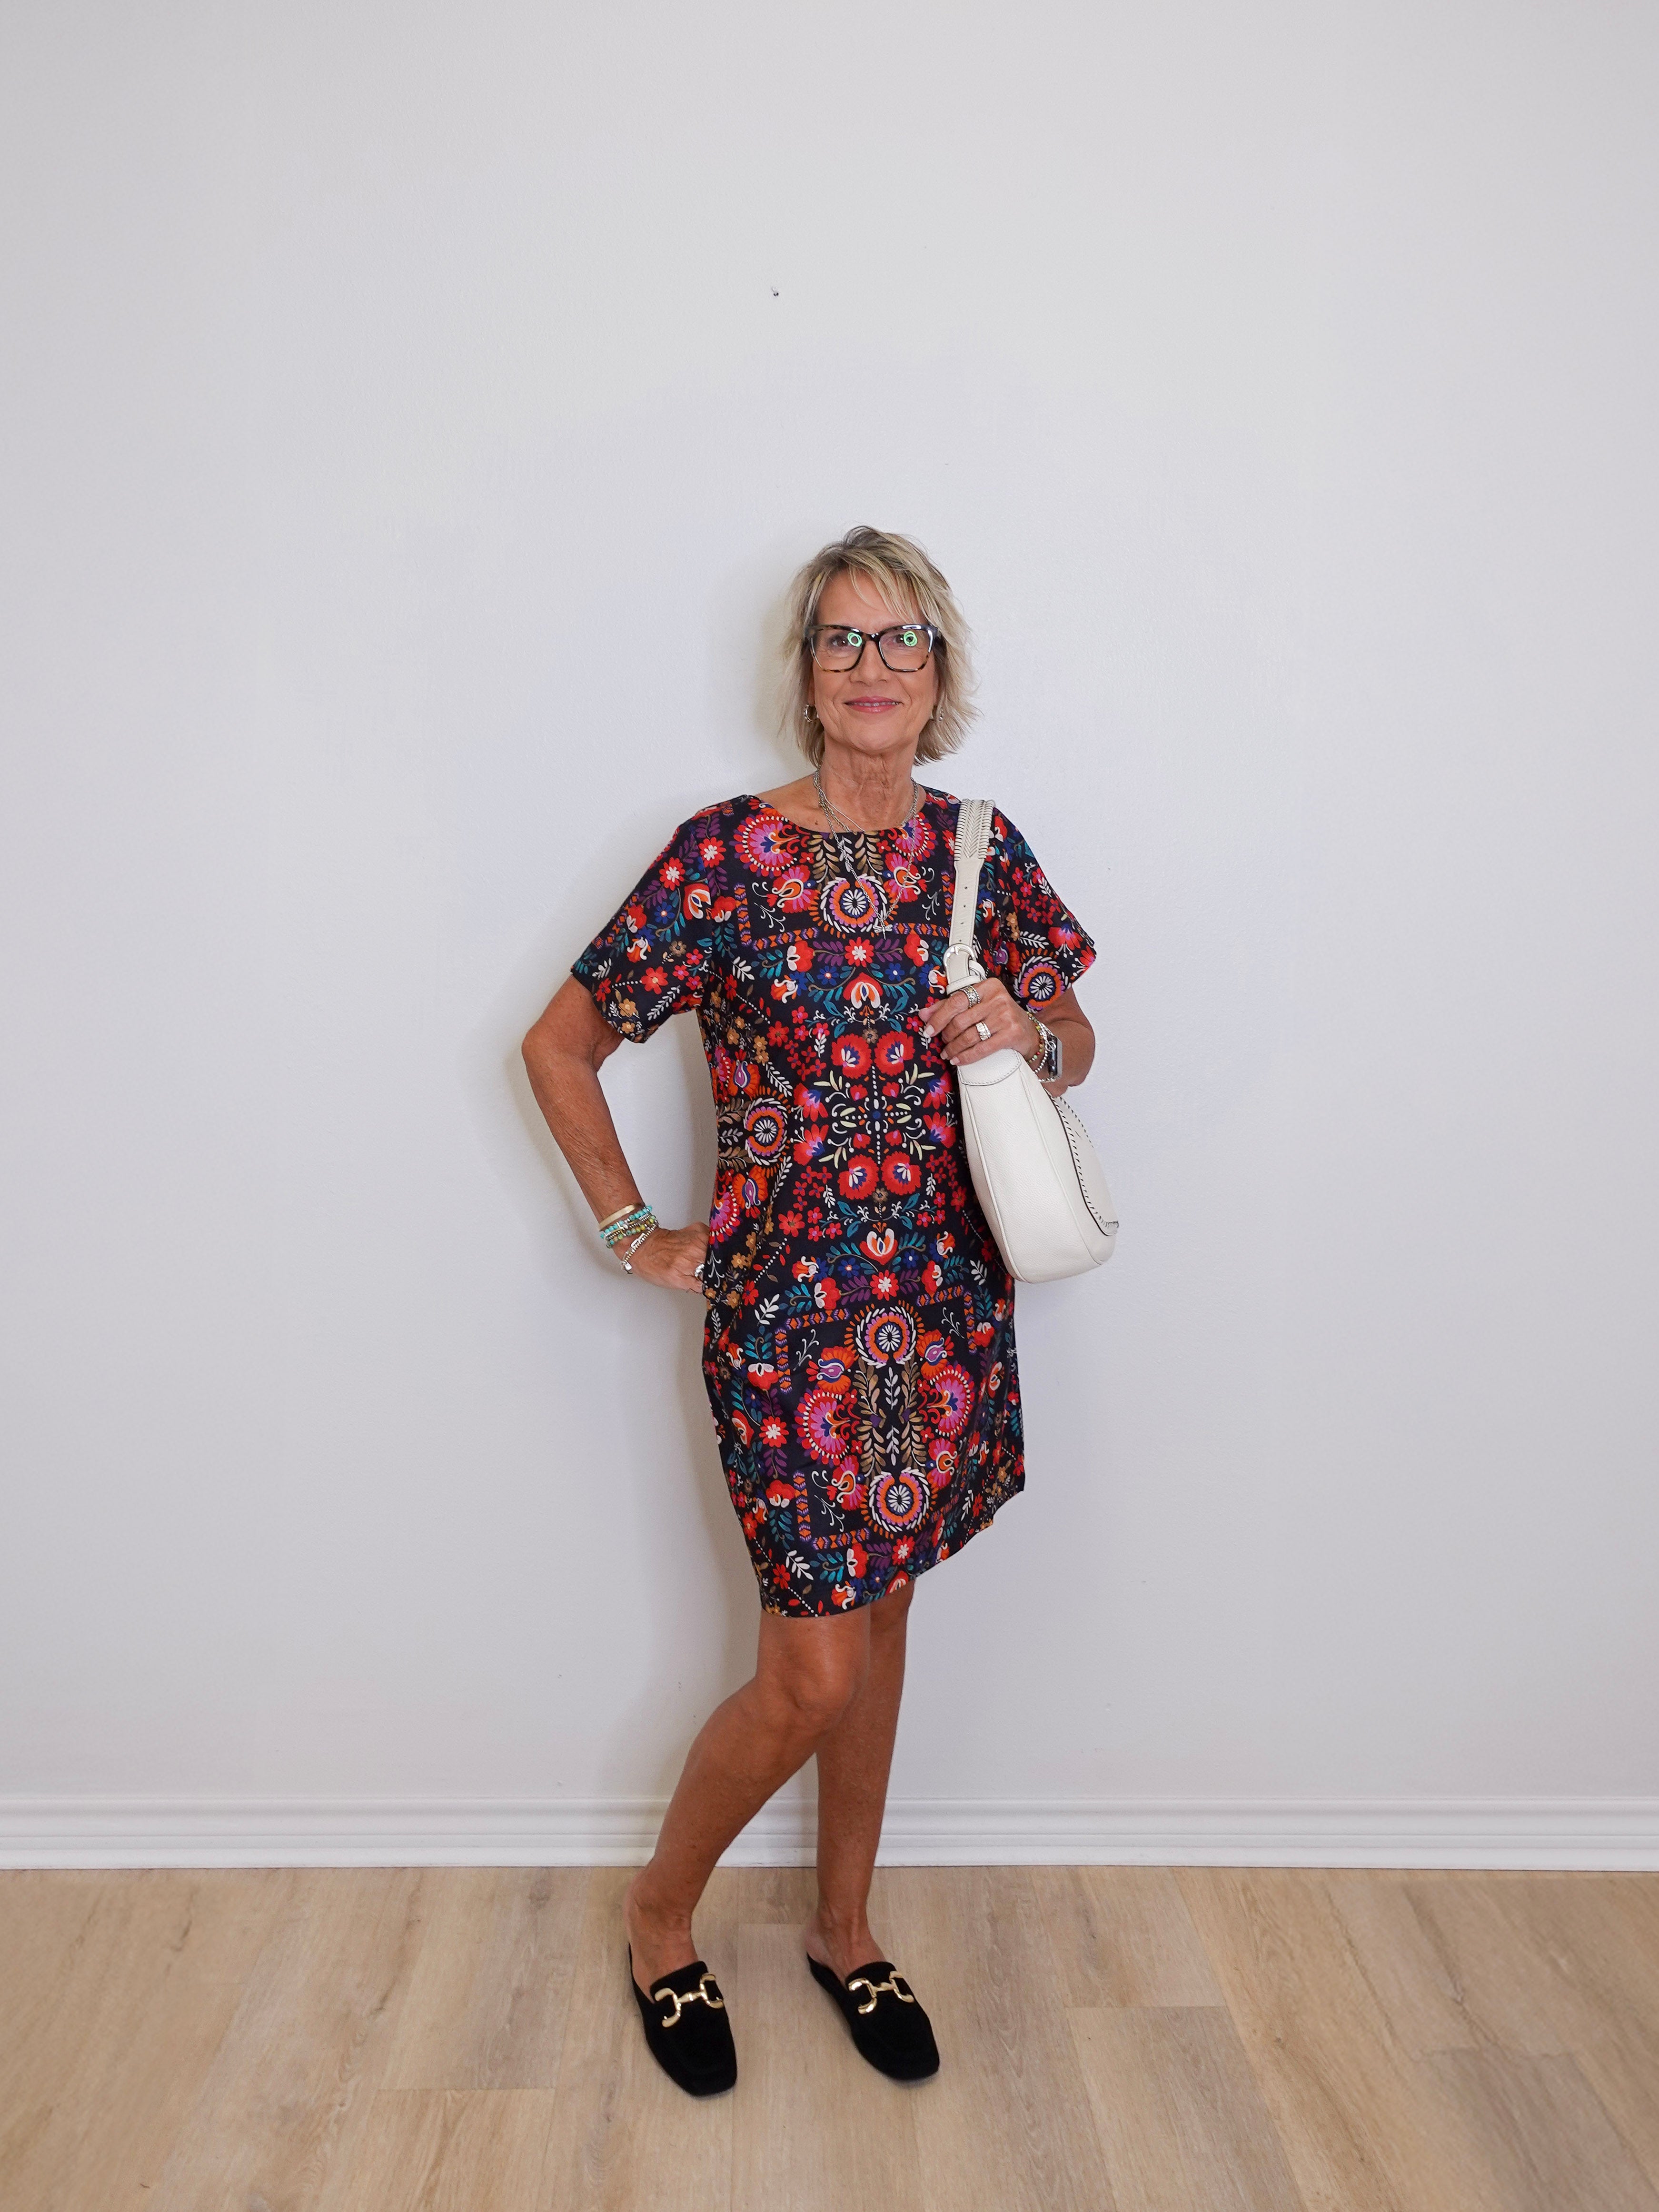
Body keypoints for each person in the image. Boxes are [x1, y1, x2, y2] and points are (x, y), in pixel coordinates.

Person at [521, 525, 1097, 2097]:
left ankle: (845, 1929)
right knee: (812, 1672)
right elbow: (557, 1044)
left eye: (900, 640)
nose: (872, 668)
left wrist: (1030, 1030)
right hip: (787, 1325)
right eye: (841, 642)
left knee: (889, 1613)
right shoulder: (722, 856)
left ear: (940, 670)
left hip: (945, 1304)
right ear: (804, 674)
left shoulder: (979, 846)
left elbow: (1076, 1031)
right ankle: (658, 1919)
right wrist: (637, 1228)